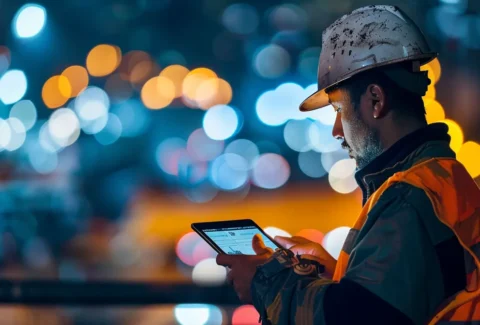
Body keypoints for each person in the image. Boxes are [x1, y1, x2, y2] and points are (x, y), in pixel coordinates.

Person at [216, 5, 480, 325]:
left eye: (340, 109)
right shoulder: (442, 177)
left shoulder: (407, 198)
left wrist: (264, 282)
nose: (336, 130)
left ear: (375, 100)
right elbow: (398, 296)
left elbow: (357, 318)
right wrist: (331, 269)